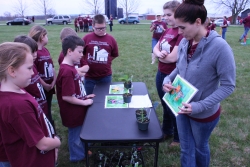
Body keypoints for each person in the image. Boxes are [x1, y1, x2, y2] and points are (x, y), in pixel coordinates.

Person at [162, 0, 236, 166]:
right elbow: (179, 69)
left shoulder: (220, 47)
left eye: (182, 27)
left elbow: (228, 86)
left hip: (204, 113)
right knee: (186, 148)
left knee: (200, 147)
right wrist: (167, 80)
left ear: (197, 22)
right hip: (181, 106)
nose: (179, 33)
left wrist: (199, 106)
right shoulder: (184, 42)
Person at [0, 42, 61, 167]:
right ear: (12, 70)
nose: (33, 73)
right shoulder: (17, 106)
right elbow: (42, 144)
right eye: (29, 68)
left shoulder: (18, 90)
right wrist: (57, 142)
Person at [56, 35, 94, 162]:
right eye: (79, 51)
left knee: (79, 132)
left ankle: (82, 150)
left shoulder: (71, 68)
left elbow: (74, 90)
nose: (82, 55)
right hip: (72, 112)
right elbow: (67, 97)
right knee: (75, 134)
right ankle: (77, 157)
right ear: (69, 51)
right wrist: (85, 103)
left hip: (77, 107)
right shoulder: (67, 71)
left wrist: (84, 97)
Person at [153, 0, 182, 147]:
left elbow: (173, 58)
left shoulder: (182, 32)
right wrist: (159, 55)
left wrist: (160, 56)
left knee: (173, 107)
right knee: (165, 105)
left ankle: (178, 138)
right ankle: (167, 130)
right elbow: (155, 48)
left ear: (178, 13)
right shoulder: (167, 30)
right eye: (164, 15)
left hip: (173, 76)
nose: (165, 18)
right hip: (161, 73)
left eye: (169, 14)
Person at [13, 35, 50, 119]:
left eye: (36, 51)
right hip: (33, 111)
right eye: (32, 52)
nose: (35, 55)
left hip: (42, 106)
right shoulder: (20, 76)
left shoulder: (32, 67)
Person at [82, 14, 119, 95]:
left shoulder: (111, 39)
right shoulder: (86, 38)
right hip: (89, 77)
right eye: (98, 29)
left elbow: (114, 55)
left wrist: (105, 60)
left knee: (104, 99)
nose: (101, 31)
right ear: (93, 26)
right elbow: (81, 54)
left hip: (105, 76)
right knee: (89, 98)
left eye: (103, 28)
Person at [28, 25, 56, 125]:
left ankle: (51, 128)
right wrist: (44, 85)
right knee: (42, 110)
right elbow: (34, 73)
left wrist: (54, 81)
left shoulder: (45, 50)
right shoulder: (34, 54)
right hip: (41, 87)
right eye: (46, 35)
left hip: (49, 86)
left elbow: (52, 66)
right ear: (42, 36)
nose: (47, 38)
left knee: (47, 107)